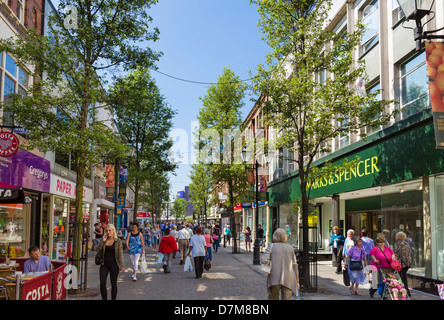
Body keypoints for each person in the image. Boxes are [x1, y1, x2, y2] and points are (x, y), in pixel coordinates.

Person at [261, 228, 299, 300]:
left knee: (273, 298)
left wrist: (271, 261)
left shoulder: (271, 246)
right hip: (289, 278)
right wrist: (297, 281)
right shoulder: (290, 248)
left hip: (274, 278)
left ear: (275, 236)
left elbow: (263, 260)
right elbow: (295, 265)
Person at [96, 224, 125, 300]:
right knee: (102, 284)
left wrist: (122, 266)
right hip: (104, 264)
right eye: (107, 230)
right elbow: (97, 249)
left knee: (113, 284)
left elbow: (120, 254)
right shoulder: (104, 240)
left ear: (113, 231)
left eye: (109, 230)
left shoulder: (118, 241)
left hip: (114, 265)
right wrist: (103, 241)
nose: (108, 232)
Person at [394, 231, 413, 297]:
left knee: (402, 277)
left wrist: (392, 261)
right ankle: (405, 291)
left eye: (396, 236)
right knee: (403, 276)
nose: (395, 237)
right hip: (408, 262)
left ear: (399, 237)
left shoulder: (398, 244)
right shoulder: (407, 243)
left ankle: (406, 292)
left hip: (401, 263)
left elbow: (396, 255)